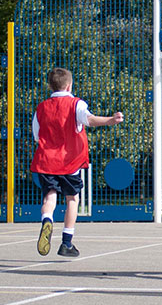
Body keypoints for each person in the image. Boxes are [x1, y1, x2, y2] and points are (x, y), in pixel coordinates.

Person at [31, 67, 124, 257]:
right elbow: (89, 120)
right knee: (73, 199)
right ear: (69, 85)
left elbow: (36, 136)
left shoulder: (41, 108)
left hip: (46, 161)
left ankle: (47, 219)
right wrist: (110, 120)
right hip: (69, 161)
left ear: (50, 85)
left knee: (50, 197)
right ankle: (66, 242)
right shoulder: (76, 104)